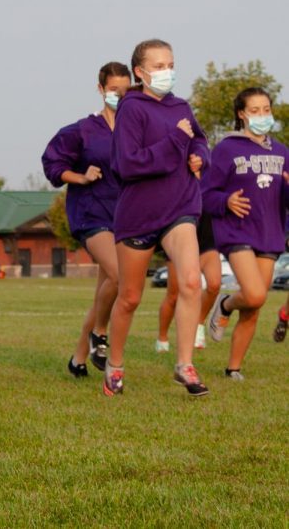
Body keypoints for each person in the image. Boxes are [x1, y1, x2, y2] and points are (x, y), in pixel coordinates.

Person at [104, 39, 210, 397]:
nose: (167, 72)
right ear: (140, 71)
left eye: (170, 64)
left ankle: (184, 364)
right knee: (130, 297)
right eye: (159, 66)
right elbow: (129, 164)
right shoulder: (131, 109)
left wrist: (199, 158)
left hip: (180, 206)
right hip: (138, 214)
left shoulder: (181, 106)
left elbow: (199, 140)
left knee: (192, 282)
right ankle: (114, 365)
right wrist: (176, 142)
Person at [42, 61, 131, 377]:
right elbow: (52, 165)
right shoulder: (81, 130)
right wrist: (80, 177)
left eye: (125, 90)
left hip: (126, 215)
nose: (119, 95)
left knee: (104, 290)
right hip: (91, 213)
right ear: (100, 89)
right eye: (113, 90)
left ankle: (78, 359)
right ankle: (99, 336)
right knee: (120, 276)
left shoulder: (136, 130)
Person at [203, 88, 289, 379]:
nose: (263, 115)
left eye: (267, 109)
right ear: (242, 113)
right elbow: (205, 194)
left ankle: (233, 368)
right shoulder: (226, 148)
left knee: (255, 305)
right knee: (252, 294)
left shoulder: (281, 152)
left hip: (270, 233)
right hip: (236, 231)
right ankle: (226, 303)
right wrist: (225, 201)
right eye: (255, 110)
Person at [155, 213, 222, 352]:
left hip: (206, 240)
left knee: (214, 284)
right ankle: (162, 337)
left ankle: (198, 325)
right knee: (173, 296)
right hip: (179, 237)